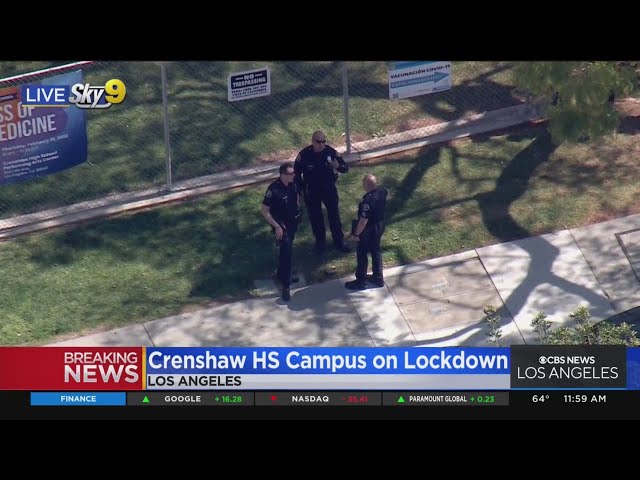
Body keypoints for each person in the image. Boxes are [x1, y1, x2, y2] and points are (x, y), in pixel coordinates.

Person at [294, 131, 350, 253]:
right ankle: (320, 243)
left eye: (324, 141)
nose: (321, 144)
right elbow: (296, 174)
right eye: (318, 142)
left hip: (328, 189)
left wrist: (337, 166)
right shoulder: (304, 155)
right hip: (312, 190)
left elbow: (345, 168)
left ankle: (339, 241)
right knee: (316, 218)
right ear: (312, 141)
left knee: (334, 216)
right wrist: (300, 190)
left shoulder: (330, 152)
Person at [261, 162, 301, 301]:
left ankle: (280, 273)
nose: (293, 175)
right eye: (290, 174)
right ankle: (286, 285)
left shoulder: (293, 184)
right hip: (280, 225)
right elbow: (264, 211)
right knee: (287, 252)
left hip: (292, 222)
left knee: (286, 250)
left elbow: (297, 198)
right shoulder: (273, 189)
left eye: (293, 173)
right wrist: (276, 226)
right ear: (283, 175)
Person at [345, 174, 388, 290]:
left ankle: (361, 281)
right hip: (379, 226)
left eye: (363, 182)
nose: (362, 184)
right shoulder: (382, 191)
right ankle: (378, 278)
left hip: (369, 230)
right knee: (376, 251)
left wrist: (356, 235)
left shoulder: (368, 201)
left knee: (362, 253)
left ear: (367, 185)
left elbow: (363, 221)